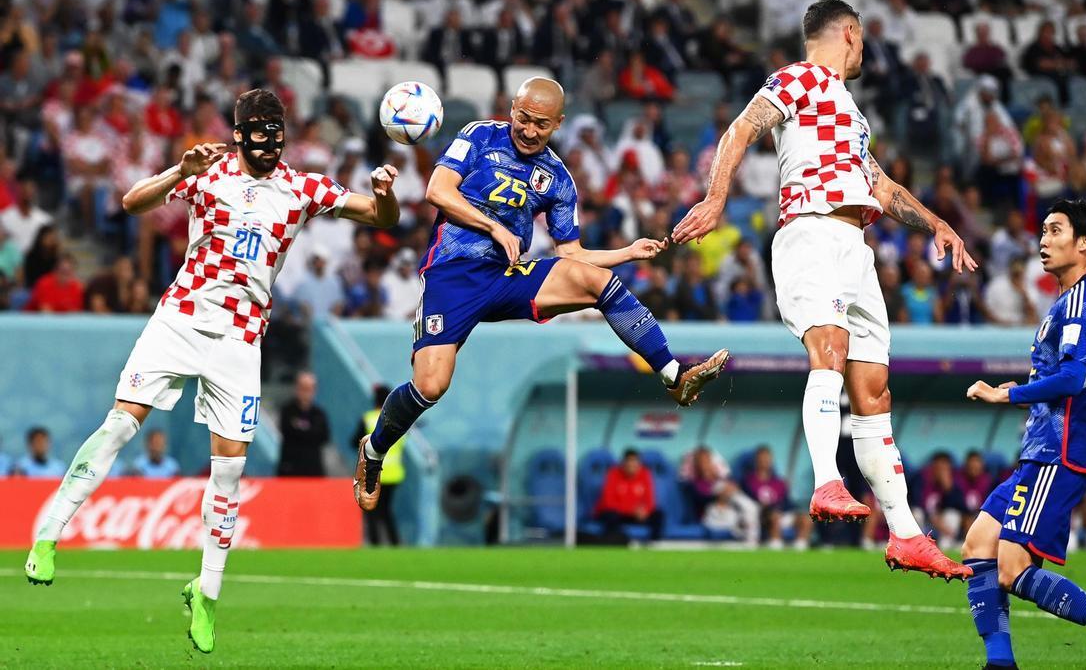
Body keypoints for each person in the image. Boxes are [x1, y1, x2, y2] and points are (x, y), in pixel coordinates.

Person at [24, 88, 401, 654]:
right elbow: (131, 202)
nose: (270, 142)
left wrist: (385, 195)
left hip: (240, 340)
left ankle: (207, 593)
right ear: (241, 131)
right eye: (260, 131)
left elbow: (379, 216)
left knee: (229, 471)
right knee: (121, 425)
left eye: (278, 131)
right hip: (178, 320)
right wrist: (180, 169)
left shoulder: (302, 188)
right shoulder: (207, 169)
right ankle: (50, 533)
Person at [672, 0, 974, 580]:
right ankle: (826, 482)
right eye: (863, 41)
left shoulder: (851, 113)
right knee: (828, 349)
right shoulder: (797, 78)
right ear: (851, 34)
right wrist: (716, 197)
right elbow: (742, 128)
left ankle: (906, 534)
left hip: (856, 245)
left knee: (875, 389)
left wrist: (935, 221)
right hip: (810, 231)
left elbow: (880, 185)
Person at [353, 78, 728, 512]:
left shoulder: (558, 179)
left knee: (595, 282)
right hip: (452, 275)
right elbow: (438, 191)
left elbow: (572, 253)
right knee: (431, 385)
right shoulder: (478, 135)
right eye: (523, 118)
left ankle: (674, 376)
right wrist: (494, 227)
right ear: (512, 108)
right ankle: (375, 451)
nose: (529, 130)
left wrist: (627, 252)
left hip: (509, 274)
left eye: (541, 125)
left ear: (559, 124)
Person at [963, 199, 1086, 670]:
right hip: (1040, 450)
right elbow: (1063, 376)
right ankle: (1000, 663)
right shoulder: (1066, 303)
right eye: (1043, 231)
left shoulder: (1085, 304)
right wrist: (1023, 388)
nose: (1043, 241)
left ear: (1084, 242)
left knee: (1011, 569)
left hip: (1060, 451)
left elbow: (1074, 380)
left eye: (1055, 231)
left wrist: (1007, 396)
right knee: (977, 547)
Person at [350, 385, 404, 546]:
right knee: (387, 511)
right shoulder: (399, 418)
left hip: (373, 471)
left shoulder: (369, 418)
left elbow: (354, 442)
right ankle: (395, 543)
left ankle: (375, 544)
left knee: (371, 511)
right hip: (394, 473)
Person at [594, 448, 663, 541]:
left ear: (639, 465)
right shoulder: (613, 474)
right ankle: (615, 544)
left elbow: (650, 501)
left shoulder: (645, 474)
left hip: (636, 515)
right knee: (610, 516)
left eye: (635, 464)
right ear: (623, 464)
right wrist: (632, 510)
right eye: (629, 463)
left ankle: (653, 545)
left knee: (658, 515)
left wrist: (645, 511)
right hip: (618, 514)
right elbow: (608, 502)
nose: (632, 467)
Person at [277, 371, 332, 477]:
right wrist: (309, 432)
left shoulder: (319, 414)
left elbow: (324, 437)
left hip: (313, 469)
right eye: (303, 388)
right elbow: (287, 431)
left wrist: (299, 429)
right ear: (297, 388)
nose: (305, 392)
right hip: (290, 469)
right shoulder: (287, 411)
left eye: (309, 389)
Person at [741, 446, 796, 549]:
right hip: (762, 515)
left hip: (781, 513)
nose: (764, 461)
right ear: (756, 460)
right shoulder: (748, 480)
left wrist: (782, 509)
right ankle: (776, 545)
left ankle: (800, 547)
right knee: (774, 517)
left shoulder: (779, 482)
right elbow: (748, 500)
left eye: (767, 458)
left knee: (805, 519)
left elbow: (788, 502)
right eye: (761, 459)